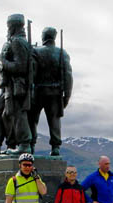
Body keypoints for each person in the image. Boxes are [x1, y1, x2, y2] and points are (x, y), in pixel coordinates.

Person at [29, 27, 73, 156]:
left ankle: (31, 145)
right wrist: (67, 94)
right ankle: (55, 147)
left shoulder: (35, 52)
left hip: (38, 91)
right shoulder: (62, 53)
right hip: (55, 93)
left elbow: (31, 73)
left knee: (32, 119)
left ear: (44, 36)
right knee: (54, 120)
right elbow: (68, 75)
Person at [0, 14, 32, 155]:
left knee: (18, 114)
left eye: (9, 26)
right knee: (5, 115)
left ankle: (24, 144)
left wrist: (3, 62)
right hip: (10, 86)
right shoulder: (17, 41)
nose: (7, 29)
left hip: (18, 86)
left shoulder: (17, 42)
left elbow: (20, 67)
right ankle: (10, 144)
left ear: (13, 27)